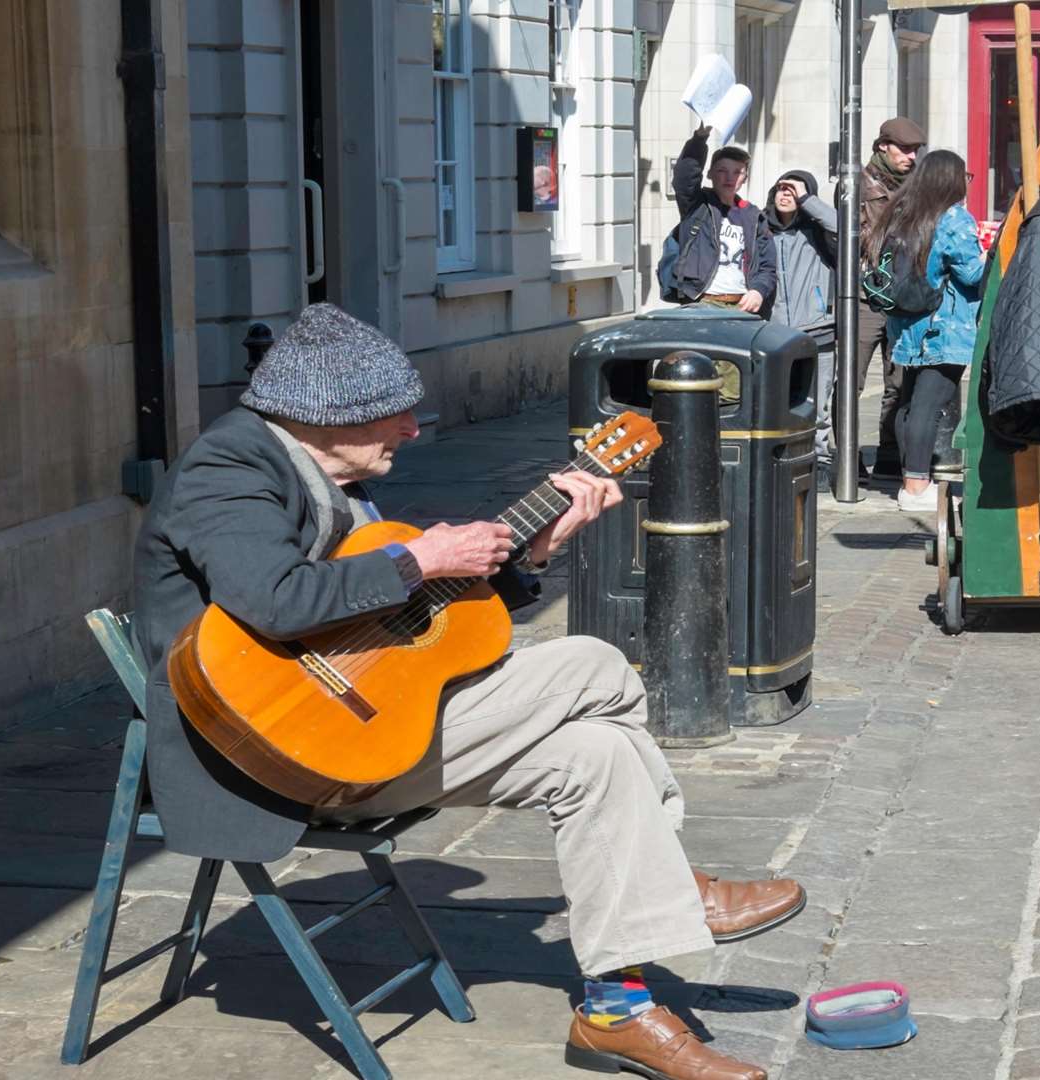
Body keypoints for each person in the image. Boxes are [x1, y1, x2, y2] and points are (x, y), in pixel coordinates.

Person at [132, 304, 807, 1079]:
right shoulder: (230, 468)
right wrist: (422, 558)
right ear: (326, 416)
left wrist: (528, 552)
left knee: (596, 757)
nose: (413, 431)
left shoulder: (320, 472)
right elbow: (278, 600)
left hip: (357, 721)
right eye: (396, 415)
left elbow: (393, 625)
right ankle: (672, 885)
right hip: (276, 751)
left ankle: (616, 1013)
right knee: (594, 664)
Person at [873, 149, 988, 512]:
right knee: (927, 406)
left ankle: (912, 479)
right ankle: (917, 486)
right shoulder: (954, 218)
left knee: (910, 404)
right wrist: (991, 256)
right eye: (964, 176)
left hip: (909, 326)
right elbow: (972, 275)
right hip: (945, 328)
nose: (966, 184)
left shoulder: (905, 213)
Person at [851, 116, 927, 477]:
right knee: (853, 378)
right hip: (866, 295)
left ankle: (888, 454)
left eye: (916, 151)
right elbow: (857, 240)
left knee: (899, 381)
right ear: (883, 146)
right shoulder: (857, 186)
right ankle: (848, 460)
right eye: (905, 150)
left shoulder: (916, 188)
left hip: (903, 296)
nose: (911, 157)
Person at [765, 169, 841, 469]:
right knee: (778, 396)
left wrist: (808, 200)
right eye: (781, 188)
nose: (786, 194)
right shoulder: (762, 228)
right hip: (773, 330)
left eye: (794, 189)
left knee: (817, 399)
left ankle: (819, 458)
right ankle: (780, 454)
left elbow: (844, 227)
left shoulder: (818, 230)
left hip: (816, 326)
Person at [670, 127, 777, 314]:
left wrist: (758, 291)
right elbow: (684, 177)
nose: (730, 178)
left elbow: (768, 267)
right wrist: (700, 138)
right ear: (710, 174)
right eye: (722, 171)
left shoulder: (754, 217)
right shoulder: (697, 206)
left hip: (742, 305)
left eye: (737, 172)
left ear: (745, 178)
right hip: (702, 302)